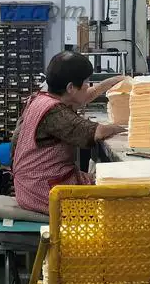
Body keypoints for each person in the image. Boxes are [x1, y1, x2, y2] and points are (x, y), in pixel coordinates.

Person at [11, 51, 127, 218]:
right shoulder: (54, 112)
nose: (88, 86)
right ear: (70, 88)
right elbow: (96, 132)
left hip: (33, 184)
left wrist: (114, 81)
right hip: (44, 191)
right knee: (120, 203)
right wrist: (124, 127)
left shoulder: (42, 98)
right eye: (86, 82)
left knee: (111, 183)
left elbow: (88, 94)